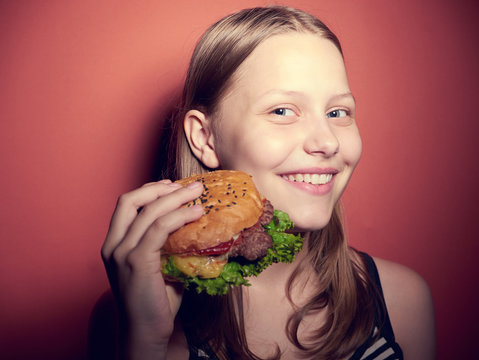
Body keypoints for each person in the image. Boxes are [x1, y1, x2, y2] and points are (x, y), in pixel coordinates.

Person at [94, 6, 436, 360]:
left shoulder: (402, 302)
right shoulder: (128, 319)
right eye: (282, 111)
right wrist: (145, 343)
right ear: (206, 139)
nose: (329, 142)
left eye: (338, 113)